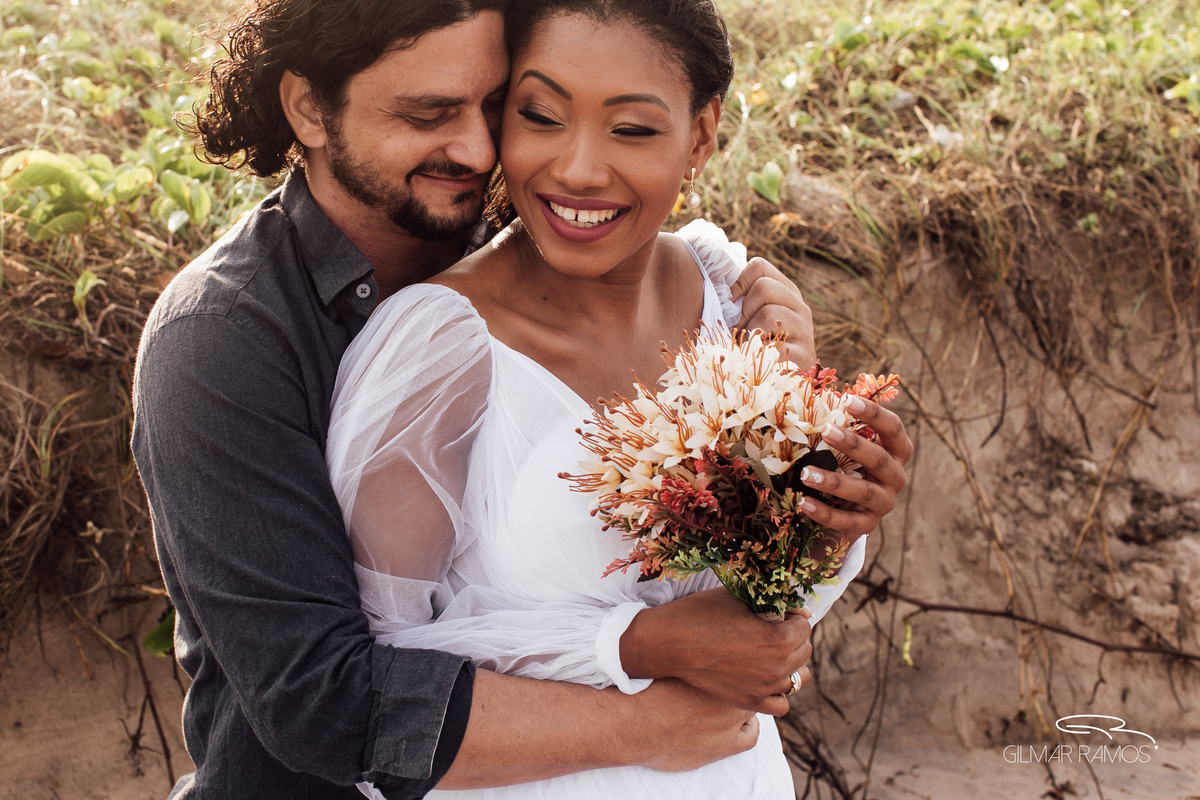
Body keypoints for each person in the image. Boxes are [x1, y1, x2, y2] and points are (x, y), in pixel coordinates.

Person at [131, 2, 912, 799]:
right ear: (308, 107)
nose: (477, 151)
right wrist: (645, 696)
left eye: (496, 107)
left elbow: (746, 611)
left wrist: (817, 487)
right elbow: (328, 701)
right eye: (428, 113)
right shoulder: (222, 338)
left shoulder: (607, 252)